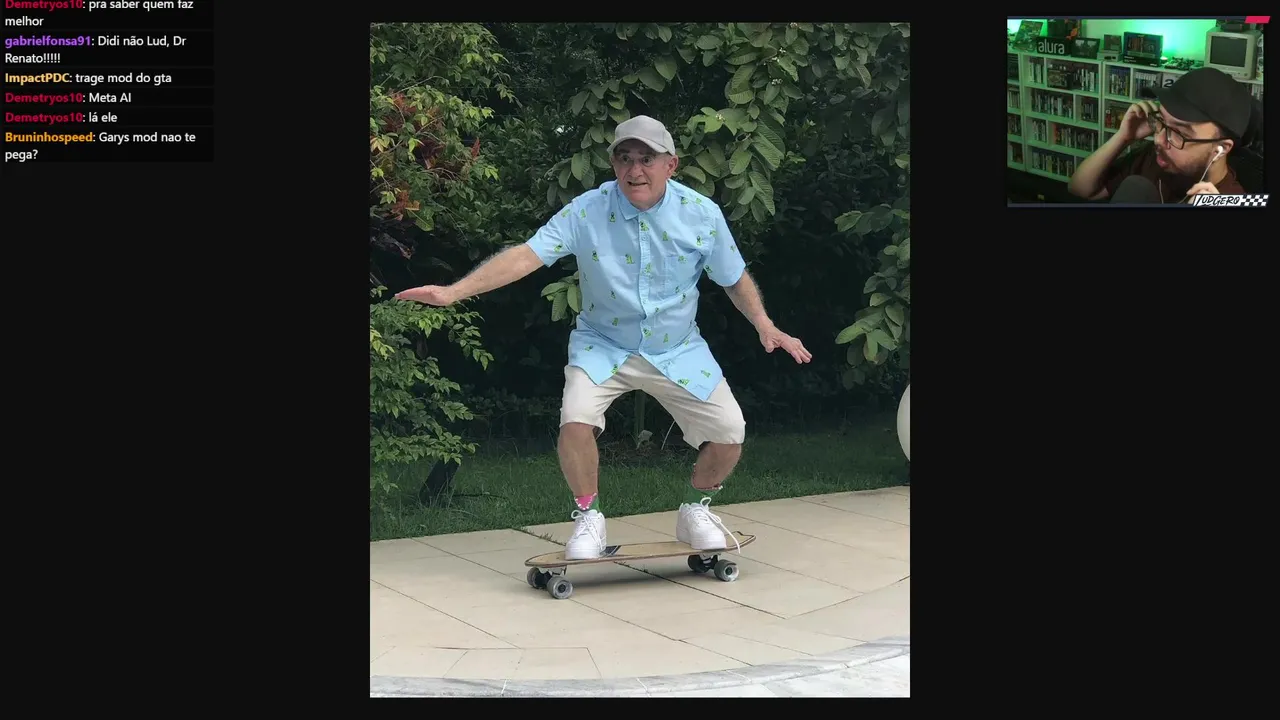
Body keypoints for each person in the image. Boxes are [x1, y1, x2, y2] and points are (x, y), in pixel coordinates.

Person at [395, 115, 811, 559]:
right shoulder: (586, 210)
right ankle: (588, 518)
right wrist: (453, 292)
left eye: (646, 159)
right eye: (625, 159)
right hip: (602, 344)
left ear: (671, 165)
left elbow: (733, 277)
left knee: (729, 431)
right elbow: (527, 255)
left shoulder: (702, 214)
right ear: (613, 164)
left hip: (677, 347)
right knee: (574, 421)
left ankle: (696, 509)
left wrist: (764, 324)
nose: (635, 170)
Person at [1067, 68, 1258, 202]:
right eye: (1161, 121)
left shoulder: (1231, 200)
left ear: (1221, 148)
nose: (1158, 139)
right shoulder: (1154, 160)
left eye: (1178, 133)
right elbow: (1081, 189)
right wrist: (1123, 137)